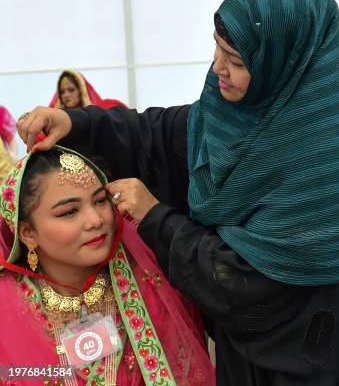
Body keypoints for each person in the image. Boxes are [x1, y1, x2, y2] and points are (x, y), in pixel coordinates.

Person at [18, 0, 339, 385]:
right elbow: (158, 135)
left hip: (318, 361)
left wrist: (155, 218)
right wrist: (77, 123)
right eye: (217, 47)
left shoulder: (323, 168)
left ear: (284, 65)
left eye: (236, 60)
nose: (218, 67)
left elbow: (251, 288)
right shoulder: (236, 114)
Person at [0, 147, 215, 385]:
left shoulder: (149, 282)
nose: (96, 220)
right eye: (69, 211)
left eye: (100, 201)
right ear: (28, 233)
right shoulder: (7, 311)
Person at [50, 70, 127, 110]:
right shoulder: (52, 121)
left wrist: (92, 112)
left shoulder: (109, 108)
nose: (66, 95)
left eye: (71, 90)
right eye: (62, 92)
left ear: (82, 91)